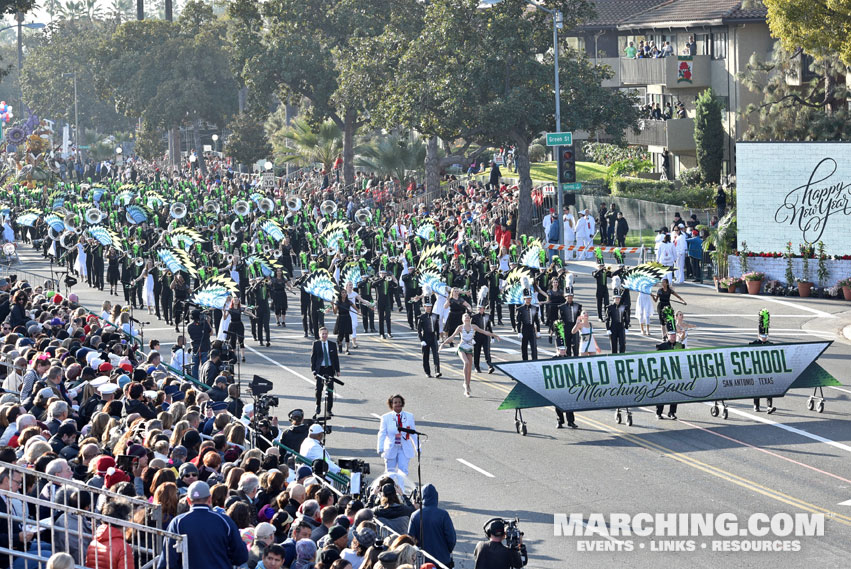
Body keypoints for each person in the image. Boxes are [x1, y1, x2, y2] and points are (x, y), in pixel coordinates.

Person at [158, 481, 248, 569]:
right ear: (209, 499)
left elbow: (168, 561)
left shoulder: (177, 522)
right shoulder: (224, 521)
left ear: (188, 500)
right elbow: (241, 556)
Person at [441, 312, 500, 397]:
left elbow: (484, 332)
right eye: (465, 316)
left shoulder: (474, 327)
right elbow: (452, 337)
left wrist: (494, 335)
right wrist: (443, 344)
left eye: (468, 316)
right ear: (462, 319)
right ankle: (465, 383)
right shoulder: (460, 327)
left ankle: (467, 386)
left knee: (469, 368)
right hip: (461, 348)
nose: (467, 317)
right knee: (466, 363)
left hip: (469, 348)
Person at [407, 484, 456, 568]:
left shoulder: (415, 516)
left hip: (423, 561)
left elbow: (410, 539)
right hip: (442, 561)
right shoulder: (443, 515)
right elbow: (451, 539)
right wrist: (447, 551)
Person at [377, 394, 418, 476]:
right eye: (395, 402)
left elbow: (413, 433)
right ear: (391, 405)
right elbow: (382, 433)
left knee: (403, 472)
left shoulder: (409, 416)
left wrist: (417, 447)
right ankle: (389, 488)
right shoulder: (386, 417)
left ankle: (401, 488)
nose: (398, 404)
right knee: (390, 473)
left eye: (399, 402)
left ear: (402, 403)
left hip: (404, 448)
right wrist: (380, 447)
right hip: (391, 448)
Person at [655, 318, 684, 420]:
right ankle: (659, 412)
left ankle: (672, 412)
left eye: (674, 335)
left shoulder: (680, 346)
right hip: (664, 373)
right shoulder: (662, 346)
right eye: (671, 335)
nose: (673, 337)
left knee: (674, 394)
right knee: (662, 393)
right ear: (667, 336)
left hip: (675, 373)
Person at [311, 327, 340, 418]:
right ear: (319, 335)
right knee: (319, 389)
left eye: (326, 334)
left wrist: (337, 370)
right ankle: (318, 405)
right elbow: (313, 358)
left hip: (330, 369)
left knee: (330, 390)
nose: (324, 336)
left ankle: (329, 409)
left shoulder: (332, 344)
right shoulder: (316, 344)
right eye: (322, 334)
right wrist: (314, 370)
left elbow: (335, 358)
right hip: (320, 369)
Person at [751, 309, 777, 414]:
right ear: (758, 335)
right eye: (762, 336)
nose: (764, 338)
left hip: (767, 369)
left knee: (769, 388)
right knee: (757, 388)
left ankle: (769, 406)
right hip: (757, 370)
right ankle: (756, 405)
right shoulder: (754, 344)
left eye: (766, 336)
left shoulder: (770, 344)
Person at [417, 297, 442, 378]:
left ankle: (437, 371)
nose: (428, 308)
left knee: (436, 355)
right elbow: (419, 330)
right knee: (426, 356)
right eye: (427, 306)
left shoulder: (435, 316)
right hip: (425, 337)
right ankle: (427, 372)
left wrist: (438, 338)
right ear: (424, 307)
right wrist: (421, 340)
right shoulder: (421, 317)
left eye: (430, 306)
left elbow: (437, 328)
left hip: (433, 337)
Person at [515, 290, 539, 361]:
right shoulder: (520, 309)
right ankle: (525, 361)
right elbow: (518, 321)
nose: (528, 300)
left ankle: (535, 360)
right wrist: (519, 331)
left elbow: (537, 320)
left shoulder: (535, 308)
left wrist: (538, 331)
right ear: (524, 299)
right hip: (524, 329)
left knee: (534, 347)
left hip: (532, 329)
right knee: (524, 347)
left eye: (530, 298)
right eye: (527, 298)